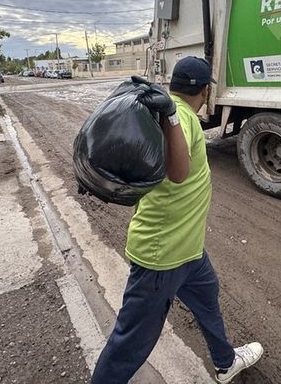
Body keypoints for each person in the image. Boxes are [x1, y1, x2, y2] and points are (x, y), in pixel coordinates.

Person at [91, 56, 263, 383]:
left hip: (188, 250)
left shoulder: (171, 112)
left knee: (207, 297)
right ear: (202, 91)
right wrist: (171, 116)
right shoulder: (179, 116)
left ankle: (225, 364)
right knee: (130, 342)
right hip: (163, 256)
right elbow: (179, 173)